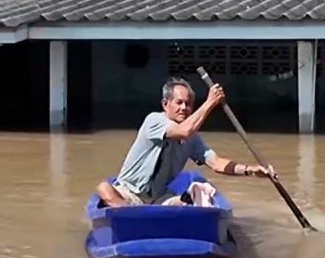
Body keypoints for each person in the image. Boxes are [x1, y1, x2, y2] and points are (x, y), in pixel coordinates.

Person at [95, 77, 275, 207]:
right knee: (104, 188)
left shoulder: (192, 139)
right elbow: (183, 131)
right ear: (165, 104)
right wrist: (210, 103)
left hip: (158, 198)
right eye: (179, 102)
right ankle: (129, 215)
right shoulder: (154, 121)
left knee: (200, 195)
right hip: (130, 193)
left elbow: (217, 163)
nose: (184, 108)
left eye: (188, 104)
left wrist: (250, 170)